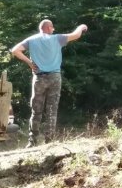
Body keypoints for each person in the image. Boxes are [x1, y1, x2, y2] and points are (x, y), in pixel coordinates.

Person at [11, 19, 88, 148]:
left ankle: (32, 141)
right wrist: (81, 26)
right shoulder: (57, 39)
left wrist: (29, 63)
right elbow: (75, 35)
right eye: (52, 28)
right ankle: (49, 141)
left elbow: (15, 50)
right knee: (52, 110)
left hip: (39, 78)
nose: (53, 30)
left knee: (36, 111)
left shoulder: (31, 40)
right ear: (48, 28)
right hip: (54, 78)